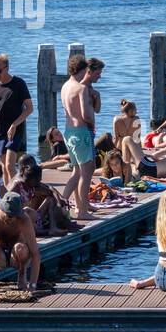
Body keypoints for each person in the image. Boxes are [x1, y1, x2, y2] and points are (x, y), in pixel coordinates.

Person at [60, 53, 101, 220]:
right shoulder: (81, 88)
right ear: (83, 70)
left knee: (77, 171)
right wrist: (91, 124)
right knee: (86, 172)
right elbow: (86, 115)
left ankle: (63, 205)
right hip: (81, 131)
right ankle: (82, 211)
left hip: (69, 132)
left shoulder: (65, 86)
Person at [0, 53, 33, 179]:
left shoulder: (19, 84)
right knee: (3, 167)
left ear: (7, 68)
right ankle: (8, 195)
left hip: (14, 131)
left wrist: (14, 125)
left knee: (9, 166)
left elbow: (29, 108)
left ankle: (18, 194)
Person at [8, 156, 79, 237]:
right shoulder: (17, 186)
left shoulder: (30, 182)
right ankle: (44, 230)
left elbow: (49, 188)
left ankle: (54, 227)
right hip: (21, 221)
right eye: (38, 180)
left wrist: (60, 200)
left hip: (32, 217)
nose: (39, 182)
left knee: (50, 199)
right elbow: (9, 210)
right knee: (30, 209)